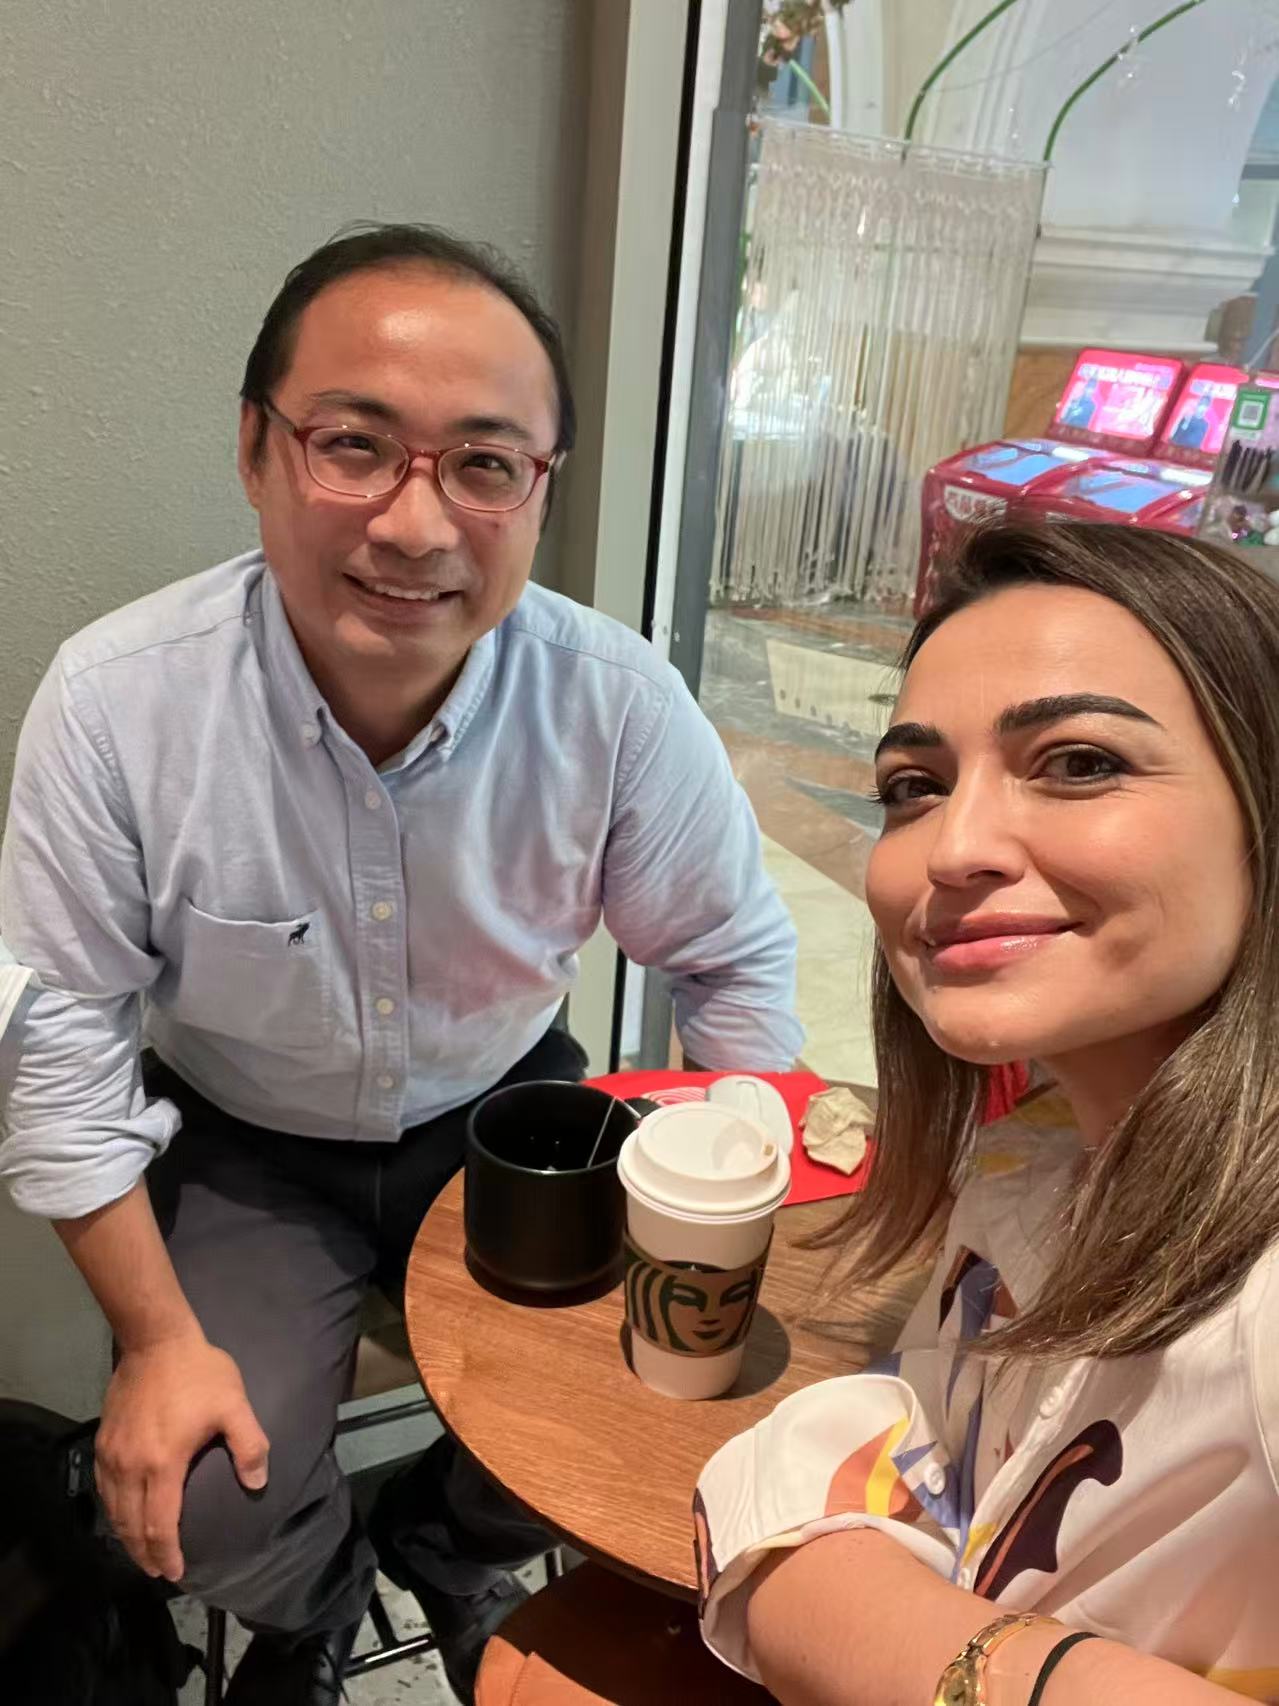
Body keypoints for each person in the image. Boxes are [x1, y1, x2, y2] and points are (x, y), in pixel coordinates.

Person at [0, 222, 802, 1706]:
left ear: (540, 489)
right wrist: (157, 1342)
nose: (418, 525)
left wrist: (737, 1207)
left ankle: (448, 1536)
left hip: (507, 1111)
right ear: (256, 448)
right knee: (207, 1502)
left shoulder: (615, 701)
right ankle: (317, 1606)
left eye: (485, 464)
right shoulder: (117, 705)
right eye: (354, 445)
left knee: (669, 1377)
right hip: (248, 1140)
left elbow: (730, 958)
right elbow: (60, 1064)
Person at [694, 519, 1279, 1703]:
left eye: (1078, 761)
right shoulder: (1041, 1145)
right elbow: (926, 1442)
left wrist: (914, 1638)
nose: (951, 847)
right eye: (914, 786)